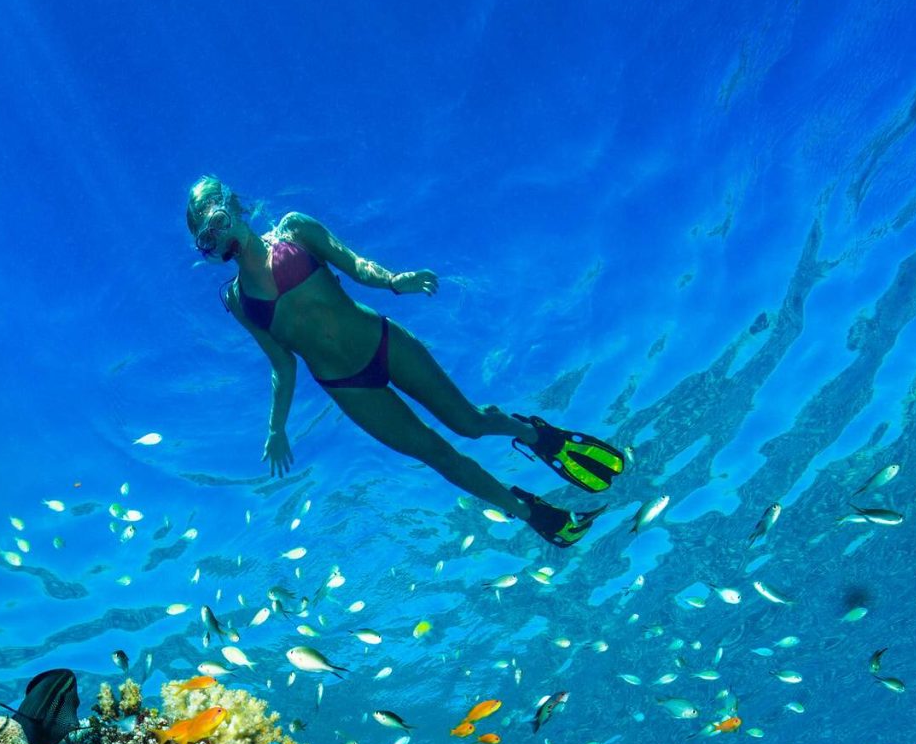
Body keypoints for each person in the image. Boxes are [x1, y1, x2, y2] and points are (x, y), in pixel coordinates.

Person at [185, 175, 626, 546]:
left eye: (220, 222)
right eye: (209, 238)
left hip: (382, 341)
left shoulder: (294, 231)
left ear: (234, 206)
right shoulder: (240, 300)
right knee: (437, 455)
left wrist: (395, 281)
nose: (222, 238)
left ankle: (534, 434)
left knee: (468, 422)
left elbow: (354, 263)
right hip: (348, 387)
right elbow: (282, 364)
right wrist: (275, 427)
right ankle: (524, 509)